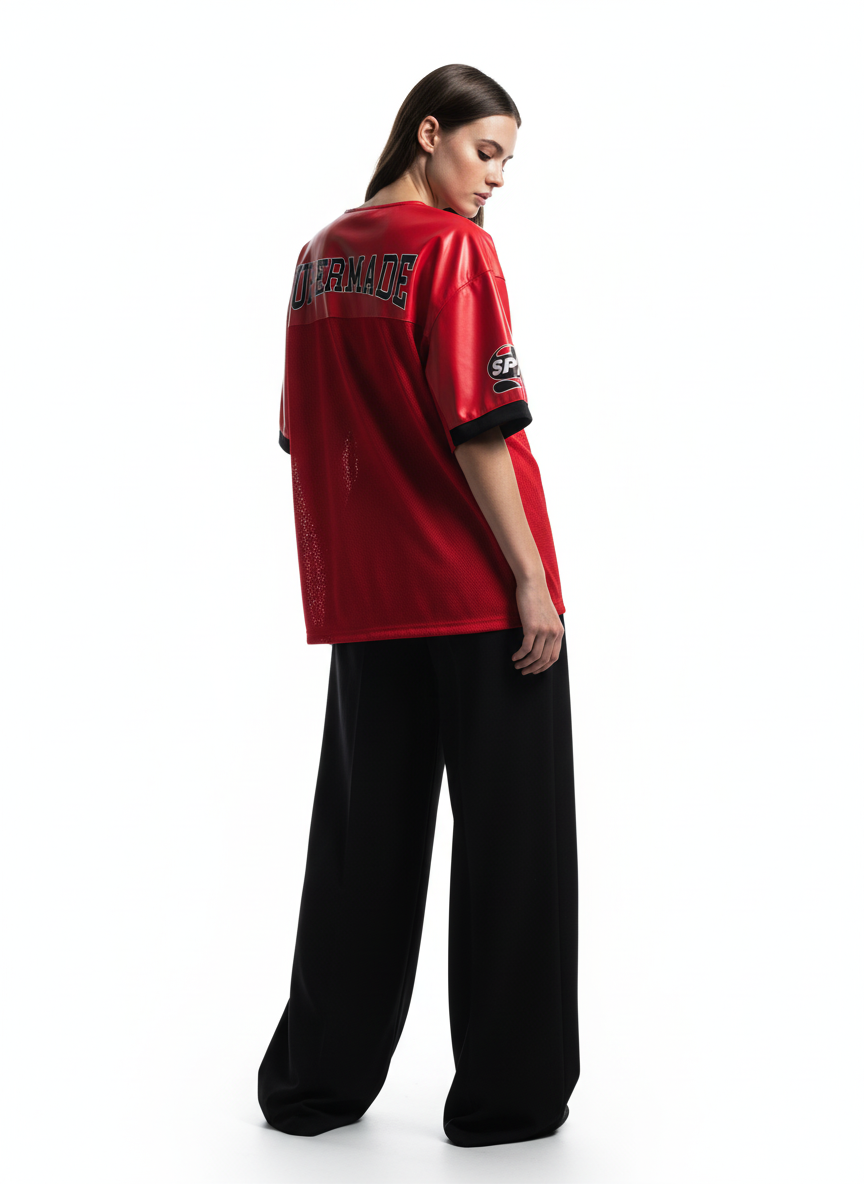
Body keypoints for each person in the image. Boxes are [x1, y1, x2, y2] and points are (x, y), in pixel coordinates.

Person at [257, 63, 579, 1149]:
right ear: (428, 132)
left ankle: (315, 1082)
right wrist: (530, 579)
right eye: (487, 152)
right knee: (515, 855)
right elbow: (479, 422)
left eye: (508, 163)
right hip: (481, 596)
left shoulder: (316, 260)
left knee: (363, 851)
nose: (497, 181)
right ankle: (507, 1100)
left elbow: (302, 433)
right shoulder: (453, 251)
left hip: (370, 601)